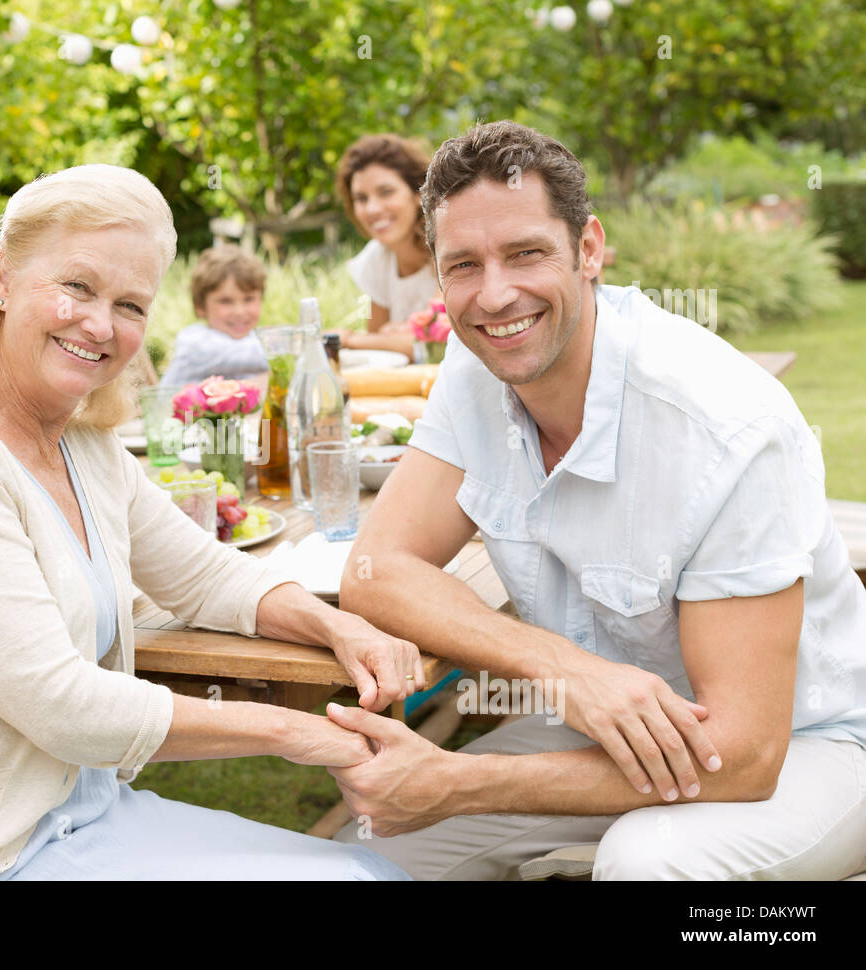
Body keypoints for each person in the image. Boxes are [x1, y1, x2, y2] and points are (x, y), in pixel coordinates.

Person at [0, 165, 422, 881]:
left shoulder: (82, 441)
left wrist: (340, 626)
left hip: (89, 816)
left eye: (130, 305)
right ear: (2, 280)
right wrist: (300, 733)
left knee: (373, 873)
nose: (100, 324)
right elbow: (62, 706)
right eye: (77, 287)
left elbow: (203, 575)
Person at [327, 121, 866, 880]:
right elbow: (377, 569)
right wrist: (563, 671)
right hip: (604, 728)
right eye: (463, 265)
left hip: (810, 748)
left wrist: (458, 782)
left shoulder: (725, 426)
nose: (494, 294)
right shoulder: (477, 366)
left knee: (649, 862)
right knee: (354, 858)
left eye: (525, 253)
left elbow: (744, 755)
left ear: (589, 249)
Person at [334, 134, 442, 360]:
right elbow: (378, 348)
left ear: (418, 194)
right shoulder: (374, 259)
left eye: (386, 192)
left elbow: (438, 339)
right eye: (361, 198)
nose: (372, 209)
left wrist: (349, 339)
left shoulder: (445, 247)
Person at [160, 246, 269, 387]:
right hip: (186, 410)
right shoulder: (195, 342)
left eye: (249, 299)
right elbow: (261, 354)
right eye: (226, 301)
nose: (240, 311)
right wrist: (295, 345)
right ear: (200, 307)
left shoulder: (252, 339)